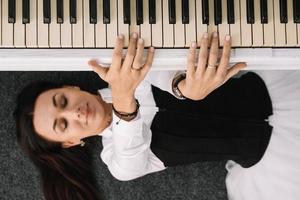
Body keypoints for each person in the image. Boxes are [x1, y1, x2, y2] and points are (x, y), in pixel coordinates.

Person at [14, 32, 272, 200]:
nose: (74, 112)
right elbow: (131, 153)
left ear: (71, 88)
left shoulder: (128, 68)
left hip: (271, 87)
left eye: (63, 101)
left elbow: (167, 76)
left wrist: (186, 88)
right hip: (272, 157)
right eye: (63, 124)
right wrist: (123, 96)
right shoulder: (117, 161)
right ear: (70, 143)